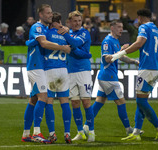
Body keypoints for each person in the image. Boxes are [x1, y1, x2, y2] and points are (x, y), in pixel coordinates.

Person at [111, 8, 158, 141]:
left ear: (141, 18)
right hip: (156, 68)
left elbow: (139, 43)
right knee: (141, 102)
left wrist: (121, 53)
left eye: (138, 18)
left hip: (147, 68)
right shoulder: (157, 31)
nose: (138, 21)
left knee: (141, 101)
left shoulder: (144, 27)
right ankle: (136, 132)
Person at [21, 4, 71, 144]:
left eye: (51, 13)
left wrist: (66, 28)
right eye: (48, 13)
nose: (50, 15)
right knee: (43, 97)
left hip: (39, 67)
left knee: (33, 100)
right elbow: (43, 43)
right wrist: (63, 48)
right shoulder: (37, 27)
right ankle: (37, 132)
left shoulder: (44, 28)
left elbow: (37, 40)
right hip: (36, 67)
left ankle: (26, 134)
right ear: (41, 15)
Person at [83, 20, 139, 136]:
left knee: (99, 102)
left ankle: (85, 127)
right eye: (118, 27)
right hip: (109, 77)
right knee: (121, 102)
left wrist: (134, 61)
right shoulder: (107, 41)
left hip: (107, 76)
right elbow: (107, 59)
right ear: (112, 28)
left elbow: (120, 57)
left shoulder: (116, 41)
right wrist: (121, 51)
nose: (121, 29)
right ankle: (128, 129)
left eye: (122, 27)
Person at [57, 10, 95, 142]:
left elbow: (75, 45)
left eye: (79, 20)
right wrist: (85, 54)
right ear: (70, 22)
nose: (78, 23)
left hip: (83, 71)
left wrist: (71, 45)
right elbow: (80, 51)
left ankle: (91, 131)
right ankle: (80, 131)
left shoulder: (84, 32)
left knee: (86, 102)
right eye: (75, 21)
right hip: (70, 71)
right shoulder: (69, 34)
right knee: (74, 102)